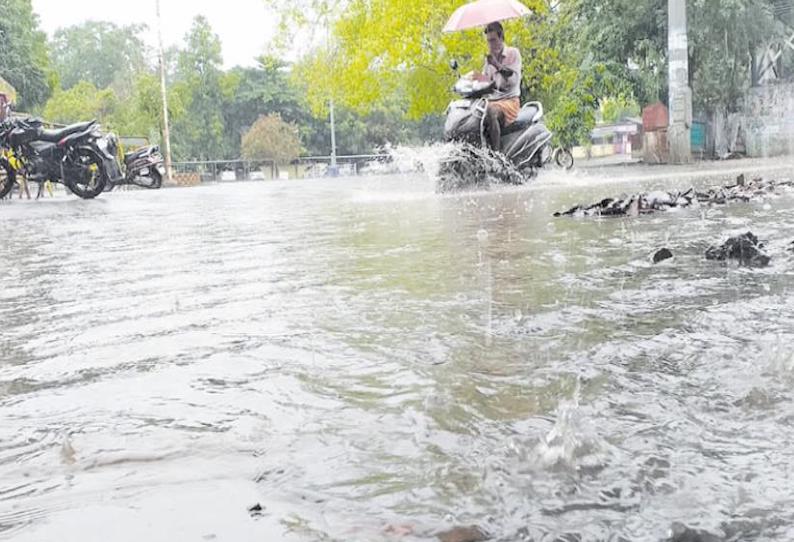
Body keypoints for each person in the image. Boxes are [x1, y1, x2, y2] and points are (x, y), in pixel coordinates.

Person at [475, 22, 522, 151]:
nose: (491, 44)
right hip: (491, 101)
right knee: (474, 112)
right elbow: (486, 81)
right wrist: (472, 80)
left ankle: (496, 156)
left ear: (501, 38)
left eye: (493, 40)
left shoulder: (513, 53)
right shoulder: (489, 59)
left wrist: (496, 64)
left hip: (509, 102)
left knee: (490, 110)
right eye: (488, 41)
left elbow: (512, 79)